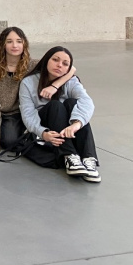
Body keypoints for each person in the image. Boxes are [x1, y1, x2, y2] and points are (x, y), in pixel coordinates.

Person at [0, 26, 74, 150]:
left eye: (19, 41)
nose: (15, 45)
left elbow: (71, 69)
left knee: (10, 142)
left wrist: (54, 86)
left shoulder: (31, 65)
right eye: (9, 41)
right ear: (3, 44)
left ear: (24, 44)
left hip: (13, 112)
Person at [19, 47, 100, 182]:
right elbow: (28, 114)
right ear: (46, 60)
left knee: (73, 103)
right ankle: (69, 155)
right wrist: (43, 133)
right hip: (44, 125)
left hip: (66, 129)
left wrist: (76, 124)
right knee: (55, 105)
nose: (59, 65)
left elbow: (87, 102)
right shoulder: (28, 82)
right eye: (55, 60)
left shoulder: (71, 81)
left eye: (65, 64)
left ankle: (88, 158)